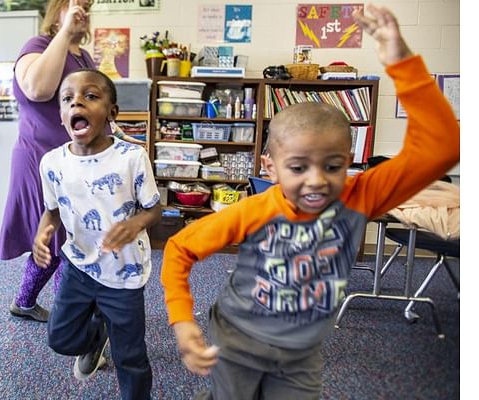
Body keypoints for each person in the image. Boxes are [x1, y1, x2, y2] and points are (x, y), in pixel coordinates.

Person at [160, 5, 460, 400]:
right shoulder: (255, 211)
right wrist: (183, 322)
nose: (317, 179)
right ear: (271, 166)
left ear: (349, 162)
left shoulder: (360, 195)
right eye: (298, 167)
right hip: (237, 339)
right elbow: (180, 248)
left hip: (300, 349)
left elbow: (444, 147)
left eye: (333, 165)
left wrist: (400, 61)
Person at [0, 0, 143, 323]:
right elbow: (37, 88)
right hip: (41, 160)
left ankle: (25, 302)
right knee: (61, 239)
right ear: (58, 9)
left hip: (76, 165)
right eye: (77, 4)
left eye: (88, 6)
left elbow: (96, 104)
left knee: (64, 236)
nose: (84, 11)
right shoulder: (38, 46)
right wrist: (64, 31)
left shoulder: (84, 56)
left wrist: (117, 134)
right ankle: (76, 323)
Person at [34, 69, 162, 399]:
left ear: (111, 113)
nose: (77, 100)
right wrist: (42, 234)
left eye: (91, 96)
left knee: (129, 355)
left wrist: (136, 223)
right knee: (60, 338)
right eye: (68, 98)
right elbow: (52, 209)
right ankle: (96, 334)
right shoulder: (52, 163)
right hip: (78, 264)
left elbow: (154, 208)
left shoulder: (132, 158)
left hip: (124, 272)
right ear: (62, 115)